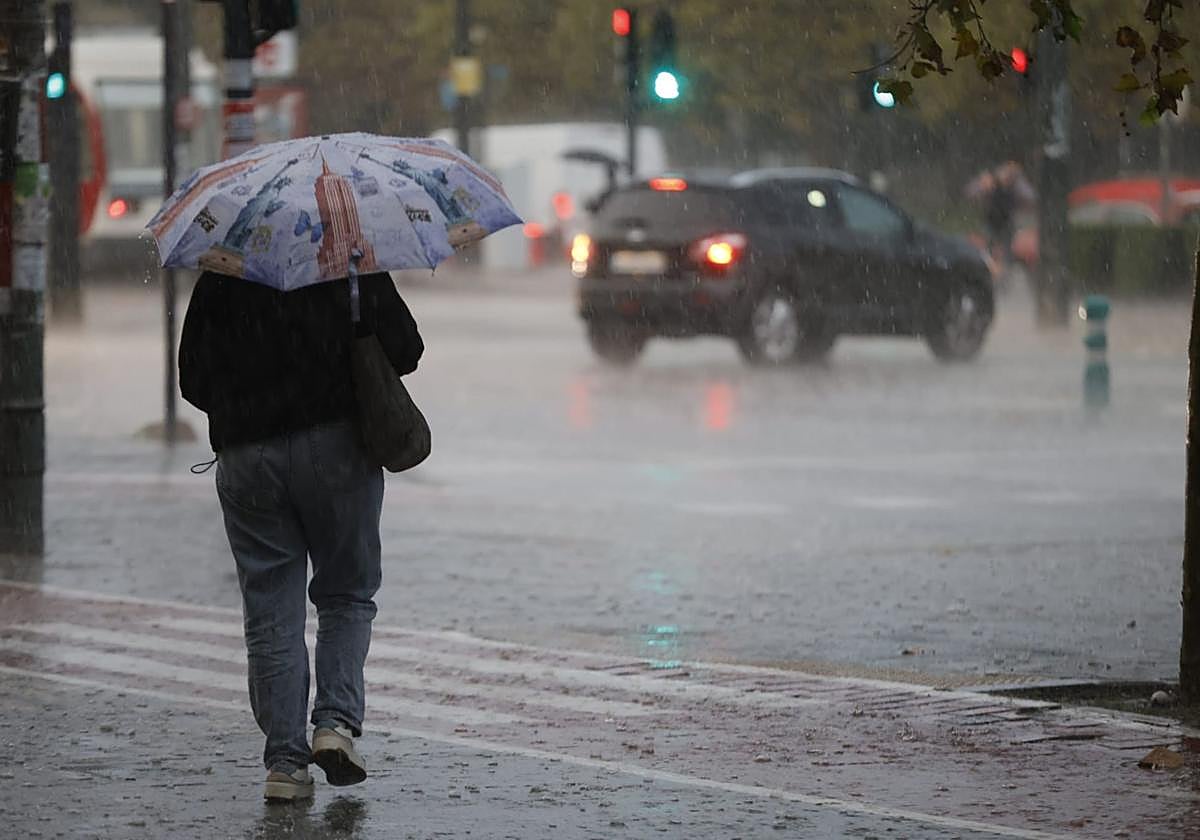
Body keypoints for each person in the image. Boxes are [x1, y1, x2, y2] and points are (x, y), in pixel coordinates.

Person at [179, 270, 424, 801]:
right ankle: (334, 725)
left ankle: (286, 765)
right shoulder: (348, 260)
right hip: (338, 444)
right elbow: (406, 350)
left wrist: (251, 392)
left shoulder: (225, 268)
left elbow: (192, 380)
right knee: (345, 593)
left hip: (247, 455)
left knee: (271, 609)